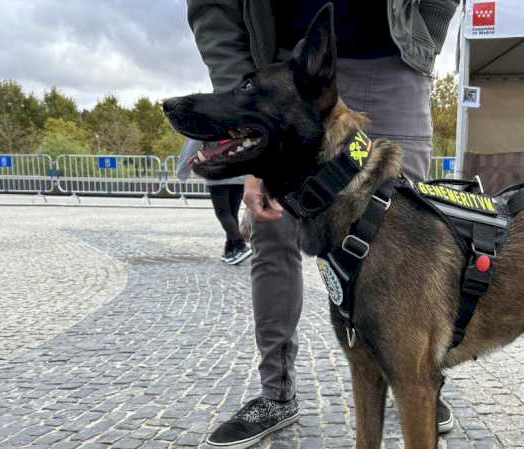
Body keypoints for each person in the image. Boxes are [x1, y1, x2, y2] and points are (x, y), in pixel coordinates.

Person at [185, 1, 460, 447]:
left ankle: (419, 377)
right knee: (273, 236)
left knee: (412, 240)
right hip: (286, 71)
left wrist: (423, 34)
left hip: (393, 65)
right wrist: (250, 119)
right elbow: (214, 9)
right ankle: (276, 393)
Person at [178, 139, 253, 264]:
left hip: (218, 171)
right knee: (231, 213)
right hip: (239, 172)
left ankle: (240, 245)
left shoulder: (208, 121)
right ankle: (230, 250)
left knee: (223, 213)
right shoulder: (236, 120)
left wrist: (182, 171)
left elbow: (192, 143)